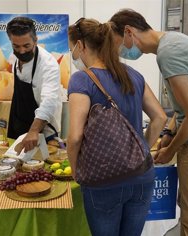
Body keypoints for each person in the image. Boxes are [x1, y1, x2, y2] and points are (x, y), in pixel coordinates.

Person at [110, 9, 188, 236]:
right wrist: (168, 133)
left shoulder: (169, 53)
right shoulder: (175, 41)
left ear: (128, 32)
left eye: (118, 45)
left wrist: (170, 150)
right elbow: (186, 107)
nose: (121, 52)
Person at [66, 17, 167, 236]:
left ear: (81, 45)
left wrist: (75, 169)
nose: (72, 55)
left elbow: (74, 137)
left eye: (71, 49)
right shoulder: (133, 75)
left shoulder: (81, 80)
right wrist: (140, 150)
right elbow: (159, 117)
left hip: (103, 181)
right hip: (142, 177)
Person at [6, 17, 62, 152]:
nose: (21, 51)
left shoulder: (48, 65)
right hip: (18, 125)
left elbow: (49, 101)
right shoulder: (14, 58)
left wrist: (33, 130)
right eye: (16, 46)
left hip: (42, 131)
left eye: (26, 46)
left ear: (35, 40)